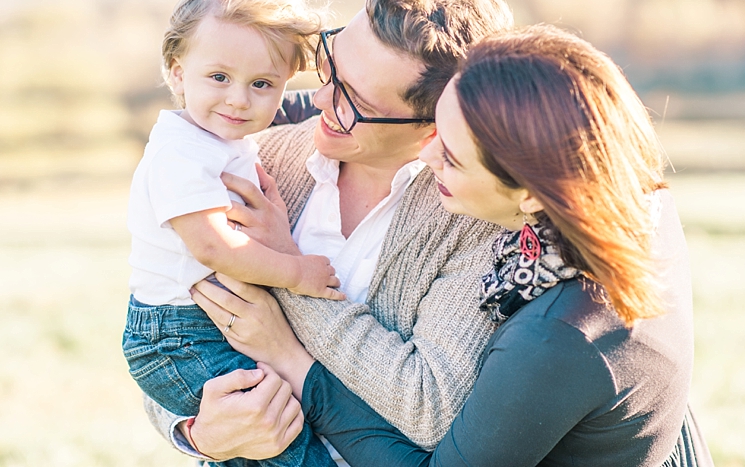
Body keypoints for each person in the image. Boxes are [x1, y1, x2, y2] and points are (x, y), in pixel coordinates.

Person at [190, 25, 714, 466]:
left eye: (454, 158)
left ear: (531, 192)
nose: (428, 154)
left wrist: (292, 357)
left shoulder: (561, 332)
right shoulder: (619, 192)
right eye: (436, 125)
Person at [143, 0, 516, 464]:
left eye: (353, 101)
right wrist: (198, 432)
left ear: (434, 126)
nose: (318, 100)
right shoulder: (258, 159)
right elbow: (169, 329)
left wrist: (286, 283)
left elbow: (430, 407)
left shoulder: (477, 222)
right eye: (328, 69)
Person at [123, 0, 342, 467]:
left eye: (262, 84)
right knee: (283, 440)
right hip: (178, 333)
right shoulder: (182, 153)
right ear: (178, 73)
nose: (240, 100)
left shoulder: (218, 138)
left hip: (206, 321)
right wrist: (296, 272)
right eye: (218, 77)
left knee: (268, 439)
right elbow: (214, 246)